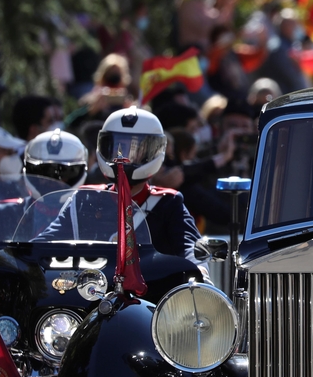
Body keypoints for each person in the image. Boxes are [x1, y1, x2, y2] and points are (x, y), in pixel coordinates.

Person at [42, 107, 203, 267]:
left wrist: (200, 270)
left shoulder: (168, 203)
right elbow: (45, 242)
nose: (123, 156)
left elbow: (189, 246)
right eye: (117, 147)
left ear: (154, 151)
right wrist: (22, 259)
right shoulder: (85, 198)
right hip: (90, 290)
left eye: (135, 149)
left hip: (151, 291)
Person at [0, 129, 88, 241]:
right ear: (28, 169)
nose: (51, 181)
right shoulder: (4, 214)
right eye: (43, 172)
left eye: (63, 172)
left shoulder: (95, 214)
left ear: (81, 170)